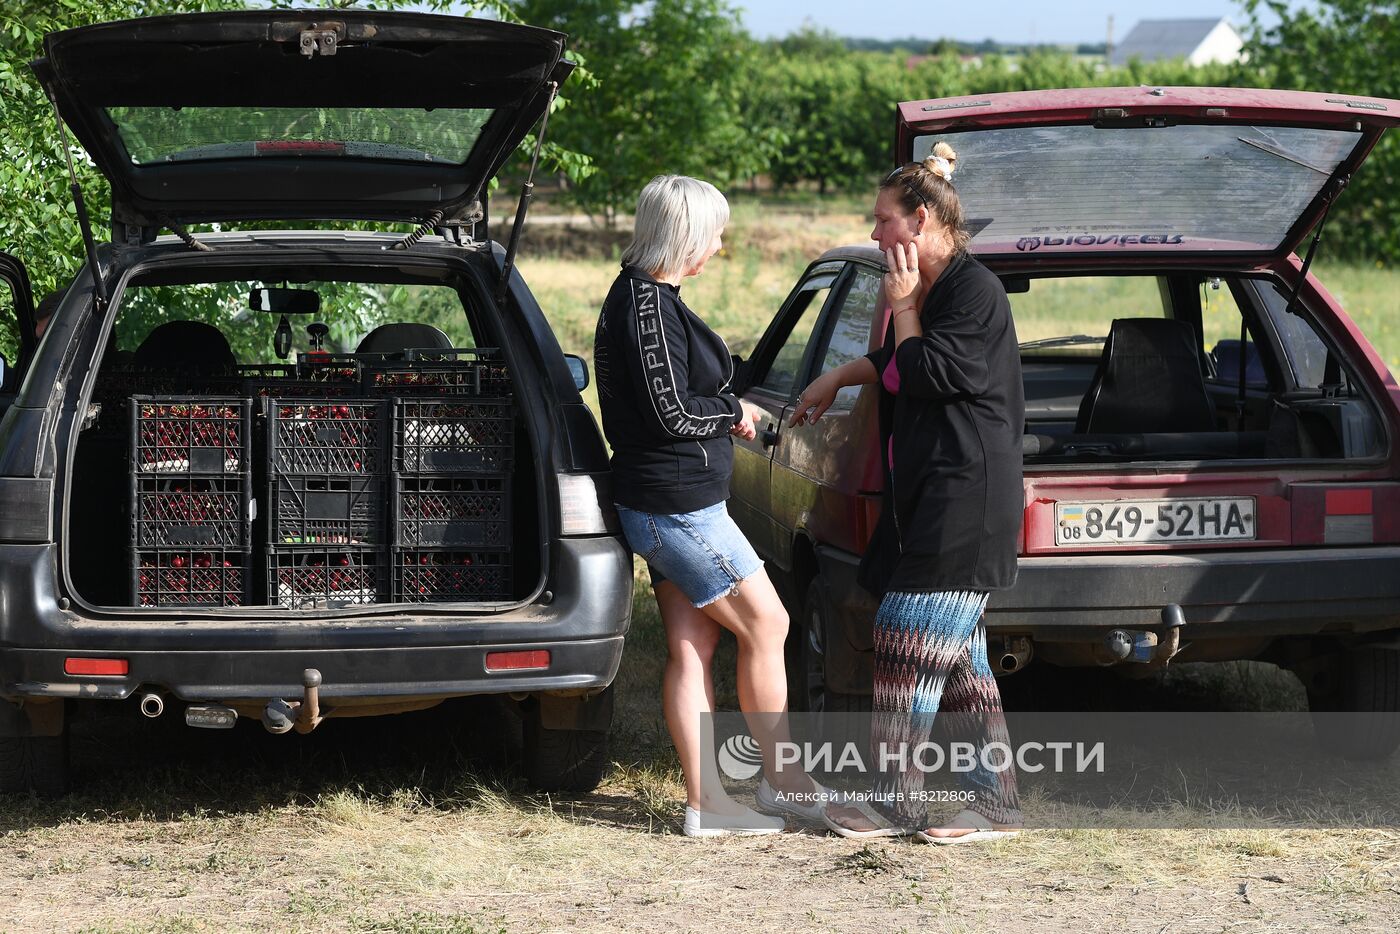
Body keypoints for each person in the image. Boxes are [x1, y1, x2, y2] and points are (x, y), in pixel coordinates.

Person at [790, 143, 1026, 844]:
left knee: (904, 636)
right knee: (959, 666)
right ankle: (995, 803)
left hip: (966, 504)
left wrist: (901, 305)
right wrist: (840, 375)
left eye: (882, 218)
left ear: (921, 219)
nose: (873, 233)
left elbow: (927, 370)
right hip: (936, 502)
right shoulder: (938, 290)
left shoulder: (974, 291)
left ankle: (896, 803)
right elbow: (899, 363)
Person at [594, 175, 824, 837]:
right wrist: (731, 411)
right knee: (769, 626)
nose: (720, 246)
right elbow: (670, 412)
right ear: (685, 234)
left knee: (693, 646)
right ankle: (784, 784)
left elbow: (677, 387)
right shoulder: (644, 305)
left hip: (666, 505)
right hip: (676, 509)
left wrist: (743, 386)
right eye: (715, 233)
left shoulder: (651, 298)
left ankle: (708, 806)